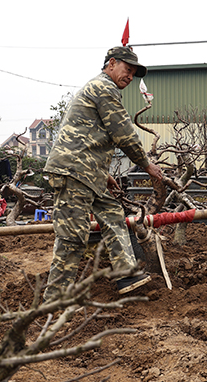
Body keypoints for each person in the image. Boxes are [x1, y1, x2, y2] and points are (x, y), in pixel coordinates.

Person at [43, 46, 163, 300]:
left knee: (113, 215)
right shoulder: (104, 88)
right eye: (127, 70)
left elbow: (89, 135)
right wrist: (146, 164)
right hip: (73, 171)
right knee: (73, 236)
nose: (129, 77)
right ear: (111, 64)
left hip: (87, 172)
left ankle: (126, 273)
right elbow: (123, 132)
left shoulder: (101, 89)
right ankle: (54, 299)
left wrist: (104, 173)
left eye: (133, 74)